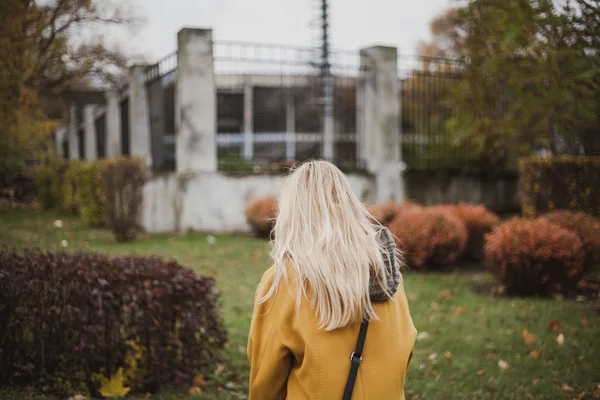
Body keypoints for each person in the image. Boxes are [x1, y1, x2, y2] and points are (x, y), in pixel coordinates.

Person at [247, 160, 417, 400]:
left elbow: (265, 382)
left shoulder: (284, 281)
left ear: (293, 213)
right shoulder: (384, 272)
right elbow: (405, 347)